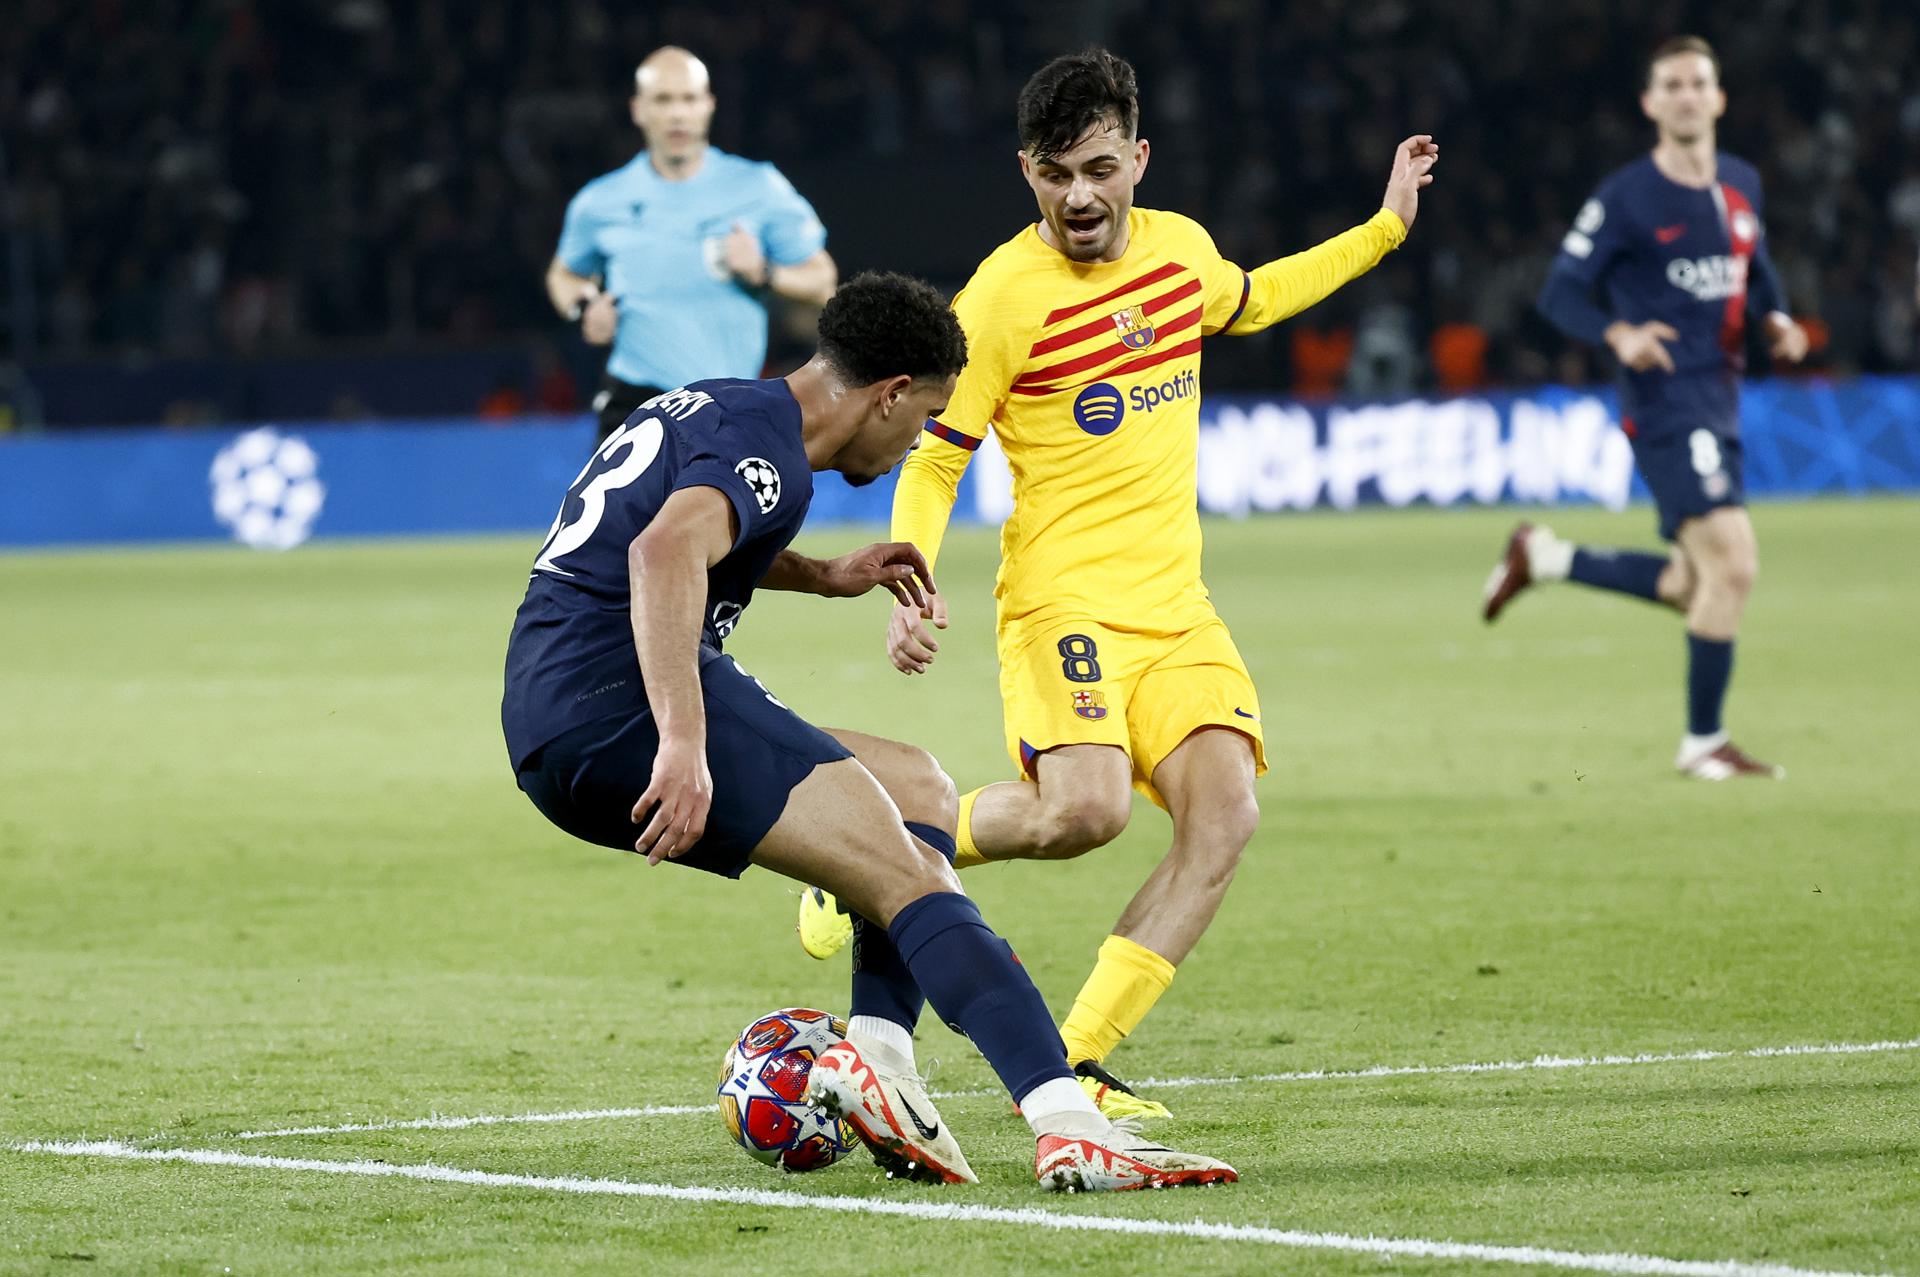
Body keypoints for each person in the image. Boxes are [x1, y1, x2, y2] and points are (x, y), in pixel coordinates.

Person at [796, 50, 1437, 1118]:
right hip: (1065, 600)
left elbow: (1259, 296)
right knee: (1081, 812)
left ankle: (1078, 1059)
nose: (1080, 196)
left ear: (1137, 156)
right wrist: (909, 573)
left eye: (1099, 168)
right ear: (1027, 173)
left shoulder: (1182, 251)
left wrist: (1384, 230)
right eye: (1056, 175)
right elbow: (942, 449)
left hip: (1176, 606)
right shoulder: (999, 298)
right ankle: (864, 847)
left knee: (1225, 815)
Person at [501, 272, 1235, 1192]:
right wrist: (681, 742)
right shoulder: (772, 451)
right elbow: (662, 552)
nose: (918, 439)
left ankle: (881, 1063)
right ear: (888, 393)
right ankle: (1069, 1124)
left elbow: (672, 528)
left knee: (917, 788)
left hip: (559, 700)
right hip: (618, 700)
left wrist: (825, 574)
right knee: (909, 872)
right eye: (923, 414)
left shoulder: (737, 410)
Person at [1485, 35, 1809, 780]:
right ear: (1651, 102)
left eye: (1700, 82)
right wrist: (1618, 331)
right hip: (1664, 401)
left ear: (1719, 98)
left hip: (1720, 398)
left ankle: (1547, 556)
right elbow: (1560, 291)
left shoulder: (1741, 186)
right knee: (1735, 563)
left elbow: (1755, 273)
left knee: (1696, 584)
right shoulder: (1625, 197)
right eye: (1673, 84)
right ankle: (1703, 740)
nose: (1688, 94)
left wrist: (1779, 320)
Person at [544, 46, 838, 442]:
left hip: (729, 404)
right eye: (663, 100)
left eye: (689, 98)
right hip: (634, 404)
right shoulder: (600, 202)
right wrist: (583, 309)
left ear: (709, 105)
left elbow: (823, 282)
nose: (678, 114)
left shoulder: (758, 186)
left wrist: (764, 272)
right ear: (638, 109)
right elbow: (564, 274)